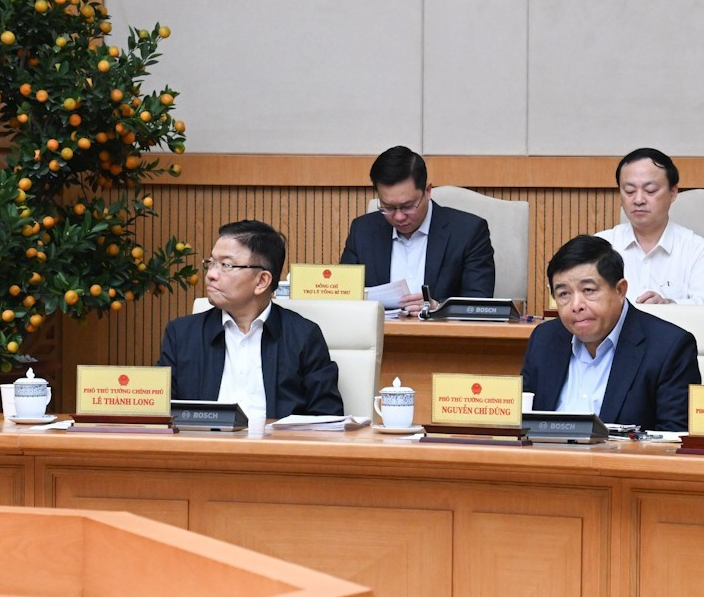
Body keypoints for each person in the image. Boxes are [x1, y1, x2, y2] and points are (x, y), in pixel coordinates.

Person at [158, 219, 344, 418]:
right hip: (203, 446)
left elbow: (327, 418)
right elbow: (160, 412)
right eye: (211, 263)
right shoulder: (182, 335)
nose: (211, 274)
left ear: (262, 281)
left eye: (226, 265)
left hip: (277, 447)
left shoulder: (303, 336)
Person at [520, 235, 699, 429]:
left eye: (588, 290)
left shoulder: (669, 348)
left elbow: (673, 441)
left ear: (620, 290)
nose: (576, 305)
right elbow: (519, 421)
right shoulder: (544, 339)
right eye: (564, 294)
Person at [340, 146, 496, 312]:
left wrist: (438, 308)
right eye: (388, 207)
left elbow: (480, 303)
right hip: (379, 336)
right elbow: (343, 295)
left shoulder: (468, 232)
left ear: (428, 191)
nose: (399, 217)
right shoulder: (363, 231)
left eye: (408, 206)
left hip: (442, 336)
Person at [597, 148, 704, 305]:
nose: (639, 199)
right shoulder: (601, 246)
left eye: (650, 190)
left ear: (673, 193)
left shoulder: (698, 250)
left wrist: (668, 305)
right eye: (629, 191)